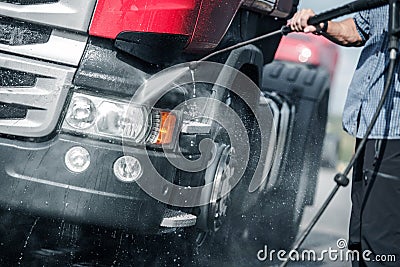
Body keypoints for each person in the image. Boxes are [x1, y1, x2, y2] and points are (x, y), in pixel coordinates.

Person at [289, 5, 400, 267]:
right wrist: (323, 25)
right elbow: (358, 29)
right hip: (369, 127)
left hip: (395, 132)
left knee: (382, 244)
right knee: (360, 238)